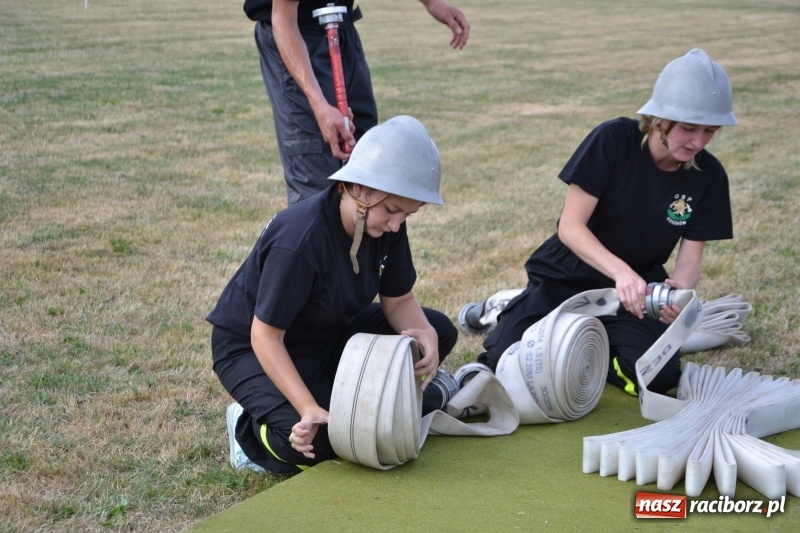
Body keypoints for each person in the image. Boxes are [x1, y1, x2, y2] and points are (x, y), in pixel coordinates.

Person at [473, 48, 737, 396]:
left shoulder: (710, 177)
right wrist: (620, 272)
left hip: (636, 294)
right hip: (567, 276)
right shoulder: (613, 140)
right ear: (660, 118)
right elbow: (570, 227)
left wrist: (676, 295)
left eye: (710, 131)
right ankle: (506, 308)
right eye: (689, 128)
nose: (698, 142)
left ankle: (590, 339)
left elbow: (689, 262)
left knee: (657, 378)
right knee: (502, 363)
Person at [207, 115, 458, 474]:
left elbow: (399, 300)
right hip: (254, 347)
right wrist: (306, 407)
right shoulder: (300, 239)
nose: (396, 225)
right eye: (391, 211)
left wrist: (427, 337)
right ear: (359, 188)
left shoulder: (386, 226)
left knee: (440, 329)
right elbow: (265, 335)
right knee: (322, 442)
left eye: (408, 215)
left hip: (328, 333)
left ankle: (371, 402)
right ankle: (246, 431)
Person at [243, 0, 470, 204]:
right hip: (297, 34)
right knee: (316, 168)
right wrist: (320, 106)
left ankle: (363, 249)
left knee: (369, 159)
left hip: (341, 27)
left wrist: (432, 3)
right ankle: (320, 245)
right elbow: (283, 21)